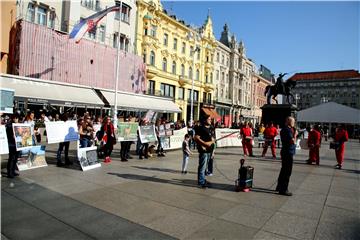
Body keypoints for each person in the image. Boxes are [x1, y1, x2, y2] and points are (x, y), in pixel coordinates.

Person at [276, 116, 297, 196]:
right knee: (287, 171)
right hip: (288, 152)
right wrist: (295, 135)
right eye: (293, 122)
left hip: (286, 151)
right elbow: (292, 141)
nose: (294, 123)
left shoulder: (287, 129)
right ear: (289, 122)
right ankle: (284, 189)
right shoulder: (287, 130)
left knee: (283, 170)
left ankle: (279, 186)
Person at [194, 114, 215, 188]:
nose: (210, 120)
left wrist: (213, 151)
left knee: (206, 166)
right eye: (209, 119)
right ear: (205, 120)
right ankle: (201, 182)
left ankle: (203, 179)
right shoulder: (200, 128)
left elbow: (213, 139)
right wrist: (204, 144)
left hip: (210, 150)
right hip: (204, 150)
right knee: (202, 166)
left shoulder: (212, 128)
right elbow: (196, 138)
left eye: (211, 119)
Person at [6, 114, 21, 178]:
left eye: (17, 118)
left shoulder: (19, 125)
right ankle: (9, 172)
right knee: (11, 158)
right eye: (14, 118)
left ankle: (13, 171)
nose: (16, 119)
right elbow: (8, 135)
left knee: (16, 158)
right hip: (11, 144)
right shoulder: (9, 125)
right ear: (12, 118)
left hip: (18, 144)